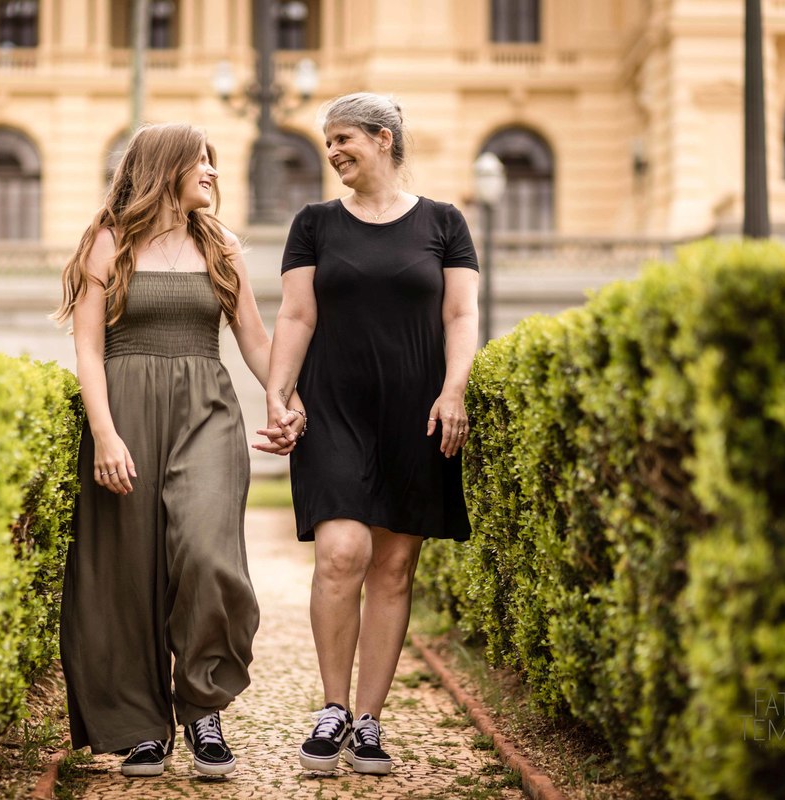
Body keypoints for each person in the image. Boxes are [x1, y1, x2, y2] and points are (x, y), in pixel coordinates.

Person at [53, 123, 303, 779]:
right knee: (127, 569)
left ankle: (203, 707)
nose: (215, 176)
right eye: (203, 164)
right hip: (127, 411)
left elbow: (253, 337)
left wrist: (283, 399)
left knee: (207, 549)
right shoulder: (108, 242)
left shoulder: (219, 244)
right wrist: (104, 433)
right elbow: (86, 348)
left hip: (207, 411)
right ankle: (140, 724)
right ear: (166, 169)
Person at [261, 93, 480, 776]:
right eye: (328, 142)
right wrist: (278, 388)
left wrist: (453, 390)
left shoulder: (444, 222)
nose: (332, 153)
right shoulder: (315, 223)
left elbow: (461, 315)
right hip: (334, 407)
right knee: (341, 552)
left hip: (415, 408)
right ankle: (332, 707)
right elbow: (296, 315)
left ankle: (371, 721)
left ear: (384, 138)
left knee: (392, 565)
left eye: (343, 139)